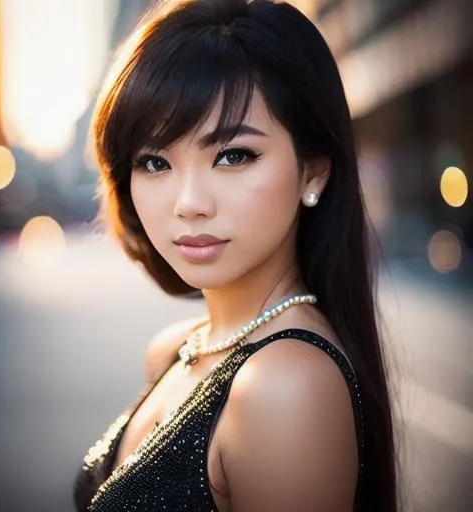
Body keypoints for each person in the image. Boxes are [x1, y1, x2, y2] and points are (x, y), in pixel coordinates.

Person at [73, 0, 398, 510]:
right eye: (155, 162)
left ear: (313, 171)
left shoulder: (285, 385)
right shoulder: (177, 351)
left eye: (232, 156)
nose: (190, 204)